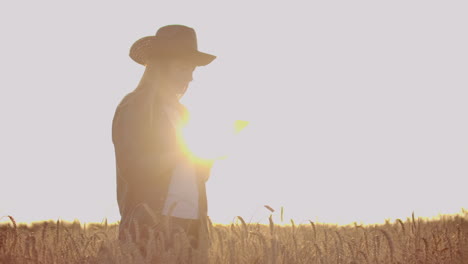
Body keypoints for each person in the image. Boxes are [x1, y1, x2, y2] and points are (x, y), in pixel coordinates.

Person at [111, 25, 216, 250]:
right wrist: (182, 152)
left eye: (192, 70)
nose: (190, 77)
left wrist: (210, 154)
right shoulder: (135, 106)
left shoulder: (183, 113)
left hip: (192, 225)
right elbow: (133, 168)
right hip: (150, 225)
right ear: (160, 68)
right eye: (182, 69)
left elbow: (198, 175)